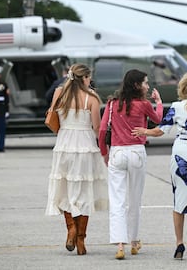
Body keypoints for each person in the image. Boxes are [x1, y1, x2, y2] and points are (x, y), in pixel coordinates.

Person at [132, 71, 187, 265]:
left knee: (179, 200)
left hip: (182, 150)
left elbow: (160, 130)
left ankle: (180, 244)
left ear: (184, 87)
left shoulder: (177, 107)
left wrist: (144, 131)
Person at [98, 69, 163, 260]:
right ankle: (134, 241)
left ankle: (120, 244)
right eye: (145, 82)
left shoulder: (112, 104)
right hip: (136, 152)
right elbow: (158, 120)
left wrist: (104, 153)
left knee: (117, 200)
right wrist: (158, 103)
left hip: (117, 152)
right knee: (135, 199)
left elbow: (102, 130)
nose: (147, 85)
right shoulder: (143, 104)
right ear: (136, 85)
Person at [45, 63, 108, 255]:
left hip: (64, 145)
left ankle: (70, 228)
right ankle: (81, 239)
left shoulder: (59, 93)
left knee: (65, 188)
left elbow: (52, 115)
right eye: (89, 77)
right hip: (85, 146)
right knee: (84, 192)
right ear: (85, 78)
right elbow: (97, 127)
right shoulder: (92, 98)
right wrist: (105, 148)